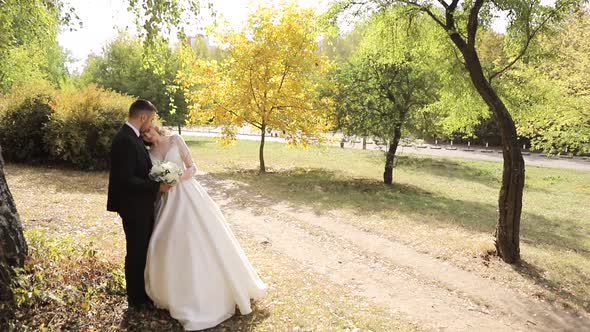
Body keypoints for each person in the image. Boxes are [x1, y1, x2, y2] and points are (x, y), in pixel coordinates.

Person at [141, 126, 266, 331]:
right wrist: (163, 182)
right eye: (143, 135)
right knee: (168, 240)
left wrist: (176, 179)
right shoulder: (149, 154)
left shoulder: (175, 140)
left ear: (155, 127)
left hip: (188, 192)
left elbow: (192, 167)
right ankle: (172, 291)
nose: (147, 135)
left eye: (148, 131)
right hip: (167, 199)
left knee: (202, 236)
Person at [107, 99, 171, 312]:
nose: (151, 123)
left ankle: (141, 294)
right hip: (133, 207)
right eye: (151, 119)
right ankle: (136, 299)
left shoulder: (132, 137)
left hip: (140, 205)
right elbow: (125, 180)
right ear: (143, 117)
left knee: (141, 250)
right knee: (135, 252)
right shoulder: (125, 139)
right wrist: (157, 188)